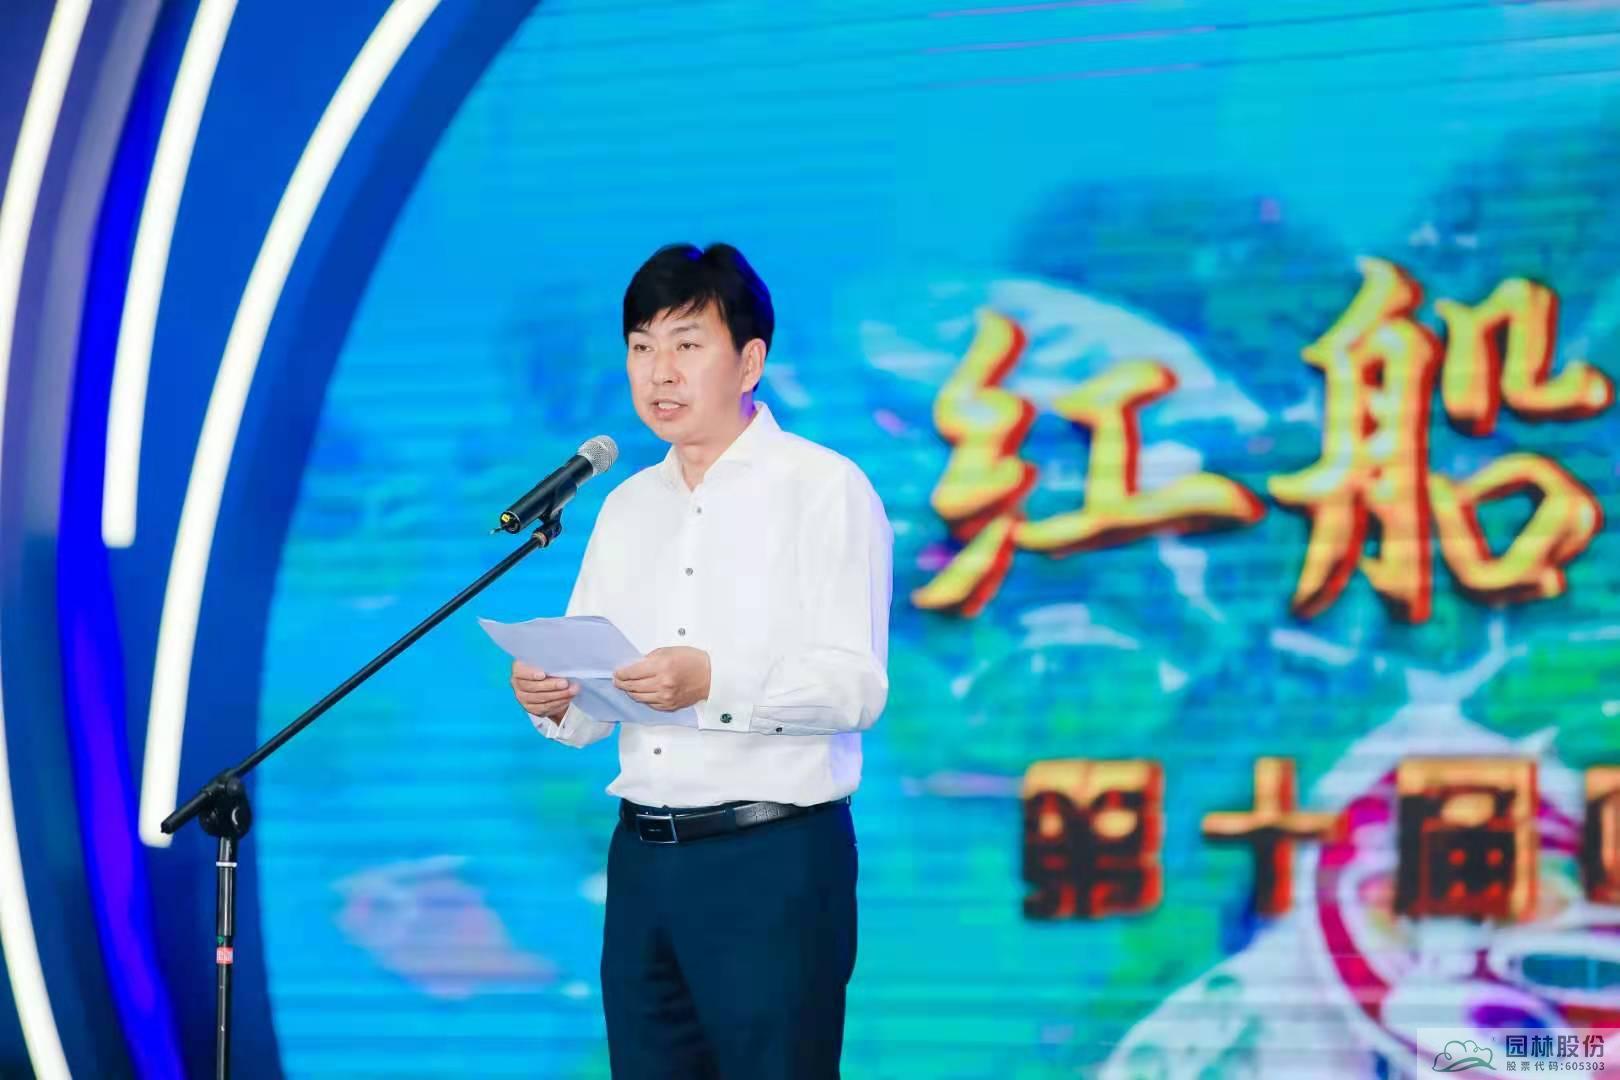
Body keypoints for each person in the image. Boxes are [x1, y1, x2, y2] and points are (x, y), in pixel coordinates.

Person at [509, 242, 893, 1079]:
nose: (661, 372)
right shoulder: (625, 507)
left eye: (687, 345)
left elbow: (856, 686)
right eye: (642, 347)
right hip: (642, 863)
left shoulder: (823, 489)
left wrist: (714, 682)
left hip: (773, 859)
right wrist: (554, 696)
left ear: (750, 361)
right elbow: (595, 698)